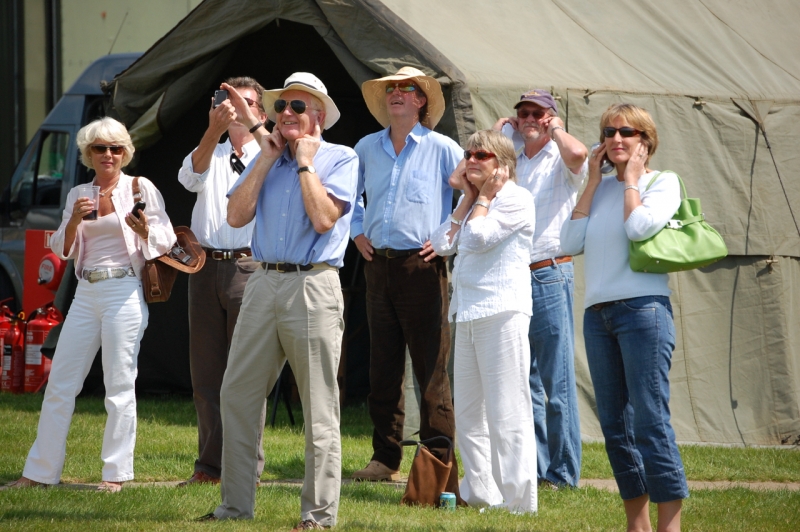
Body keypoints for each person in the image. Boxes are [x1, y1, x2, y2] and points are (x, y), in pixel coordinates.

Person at [200, 73, 357, 532]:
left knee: (318, 405)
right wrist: (267, 158)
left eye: (298, 107)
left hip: (313, 283)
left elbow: (324, 219)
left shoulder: (340, 157)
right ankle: (234, 507)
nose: (286, 112)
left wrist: (305, 163)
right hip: (263, 280)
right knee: (236, 393)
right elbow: (235, 215)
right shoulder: (265, 156)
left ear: (319, 116)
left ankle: (317, 517)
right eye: (281, 106)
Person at [8, 117, 176, 492]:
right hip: (86, 292)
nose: (108, 154)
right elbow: (61, 249)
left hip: (124, 288)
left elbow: (166, 238)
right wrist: (73, 222)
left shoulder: (139, 187)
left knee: (119, 385)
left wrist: (144, 231)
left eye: (116, 148)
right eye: (100, 148)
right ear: (88, 153)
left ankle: (115, 475)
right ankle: (39, 472)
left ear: (125, 152)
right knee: (60, 384)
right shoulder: (79, 194)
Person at [560, 103, 689, 531]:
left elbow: (637, 228)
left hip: (643, 311)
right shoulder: (599, 189)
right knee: (615, 425)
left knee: (650, 420)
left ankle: (670, 524)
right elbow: (568, 241)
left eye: (627, 132)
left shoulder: (662, 182)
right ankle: (637, 524)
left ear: (645, 141)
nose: (616, 138)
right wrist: (593, 182)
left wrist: (631, 179)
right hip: (598, 316)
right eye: (609, 131)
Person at [350, 66, 460, 481]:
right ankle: (385, 458)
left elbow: (473, 191)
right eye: (391, 88)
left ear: (421, 100)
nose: (396, 92)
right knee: (382, 366)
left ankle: (437, 464)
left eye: (406, 87)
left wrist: (447, 237)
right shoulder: (366, 146)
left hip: (422, 266)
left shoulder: (442, 147)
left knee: (431, 368)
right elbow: (348, 195)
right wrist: (356, 231)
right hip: (378, 265)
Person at [431, 130, 537, 513]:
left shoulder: (516, 199)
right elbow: (441, 243)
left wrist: (485, 198)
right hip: (468, 313)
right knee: (469, 412)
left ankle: (520, 502)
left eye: (481, 155)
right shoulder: (474, 201)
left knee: (508, 410)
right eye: (469, 154)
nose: (472, 160)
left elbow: (475, 239)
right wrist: (468, 198)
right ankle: (481, 494)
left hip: (503, 312)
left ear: (502, 165)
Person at [177, 76, 269, 487]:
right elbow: (189, 178)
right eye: (226, 99)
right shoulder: (208, 150)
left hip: (249, 266)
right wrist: (213, 129)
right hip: (204, 267)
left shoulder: (269, 152)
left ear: (260, 112)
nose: (234, 107)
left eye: (244, 101)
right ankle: (210, 466)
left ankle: (245, 467)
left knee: (246, 372)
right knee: (206, 374)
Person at [493, 89, 587, 488]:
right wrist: (497, 130)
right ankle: (535, 469)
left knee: (557, 380)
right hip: (513, 274)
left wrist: (558, 128)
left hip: (549, 273)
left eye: (538, 113)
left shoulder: (561, 156)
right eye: (523, 113)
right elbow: (472, 169)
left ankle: (563, 473)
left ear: (550, 117)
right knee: (524, 380)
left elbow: (580, 155)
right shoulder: (511, 155)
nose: (530, 119)